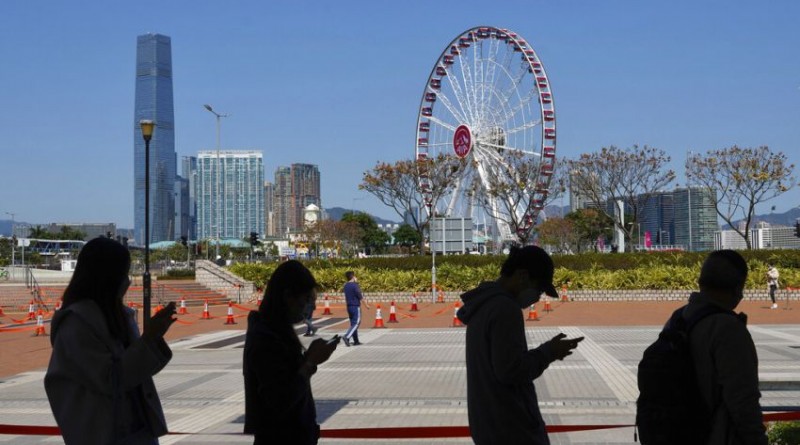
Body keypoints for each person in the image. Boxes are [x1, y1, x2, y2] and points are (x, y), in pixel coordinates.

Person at [44, 237, 176, 445]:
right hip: (103, 434)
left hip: (135, 430)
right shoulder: (76, 323)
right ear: (107, 277)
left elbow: (135, 373)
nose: (128, 281)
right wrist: (149, 339)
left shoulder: (118, 315)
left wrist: (153, 338)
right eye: (123, 273)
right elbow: (111, 379)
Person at [456, 246, 583, 445]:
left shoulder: (483, 306)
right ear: (522, 276)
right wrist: (548, 352)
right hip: (512, 427)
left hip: (489, 424)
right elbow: (511, 371)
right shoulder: (505, 309)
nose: (538, 297)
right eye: (539, 289)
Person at [243, 260, 339, 444]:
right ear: (288, 296)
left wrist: (307, 359)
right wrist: (310, 362)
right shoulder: (266, 339)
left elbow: (284, 377)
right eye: (307, 300)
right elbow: (280, 399)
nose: (310, 307)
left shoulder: (275, 331)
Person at [685, 250, 767, 444]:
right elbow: (744, 402)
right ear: (738, 288)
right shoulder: (728, 329)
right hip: (715, 435)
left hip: (679, 432)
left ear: (701, 281)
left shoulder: (680, 318)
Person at [343, 270, 370, 346]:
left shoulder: (346, 286)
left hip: (349, 306)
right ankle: (346, 336)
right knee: (356, 323)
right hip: (355, 306)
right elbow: (360, 296)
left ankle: (356, 341)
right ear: (353, 277)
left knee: (353, 324)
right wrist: (366, 305)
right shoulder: (355, 286)